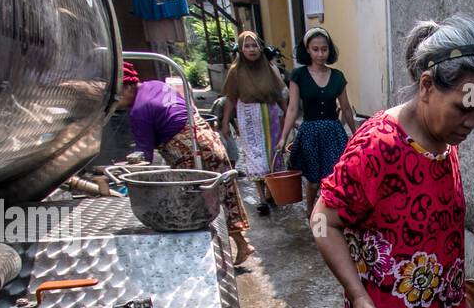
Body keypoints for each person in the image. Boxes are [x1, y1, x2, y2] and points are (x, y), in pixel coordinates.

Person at [313, 16, 474, 308]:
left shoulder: (446, 139)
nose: (473, 123)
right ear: (426, 87)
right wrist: (357, 295)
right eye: (464, 108)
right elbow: (322, 221)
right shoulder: (379, 147)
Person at [117, 61, 252, 264]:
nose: (116, 101)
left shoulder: (139, 110)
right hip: (209, 141)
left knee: (195, 205)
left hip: (189, 153)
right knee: (225, 193)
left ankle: (208, 255)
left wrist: (125, 171)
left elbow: (144, 156)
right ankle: (242, 244)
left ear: (127, 86)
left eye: (116, 96)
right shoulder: (157, 85)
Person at [275, 28, 355, 218]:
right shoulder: (298, 75)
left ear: (330, 50)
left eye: (324, 49)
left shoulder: (337, 76)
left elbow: (346, 108)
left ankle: (333, 215)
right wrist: (283, 138)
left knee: (335, 178)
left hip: (333, 132)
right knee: (312, 182)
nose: (320, 54)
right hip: (310, 132)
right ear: (307, 50)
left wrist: (357, 133)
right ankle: (311, 213)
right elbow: (293, 108)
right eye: (315, 49)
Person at [220, 31, 288, 216]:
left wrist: (288, 117)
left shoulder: (269, 68)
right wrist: (225, 123)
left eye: (255, 45)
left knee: (273, 155)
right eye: (247, 46)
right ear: (241, 49)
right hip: (249, 119)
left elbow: (280, 95)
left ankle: (271, 192)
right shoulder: (236, 71)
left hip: (271, 117)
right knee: (255, 157)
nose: (252, 49)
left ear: (260, 47)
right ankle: (262, 198)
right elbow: (231, 99)